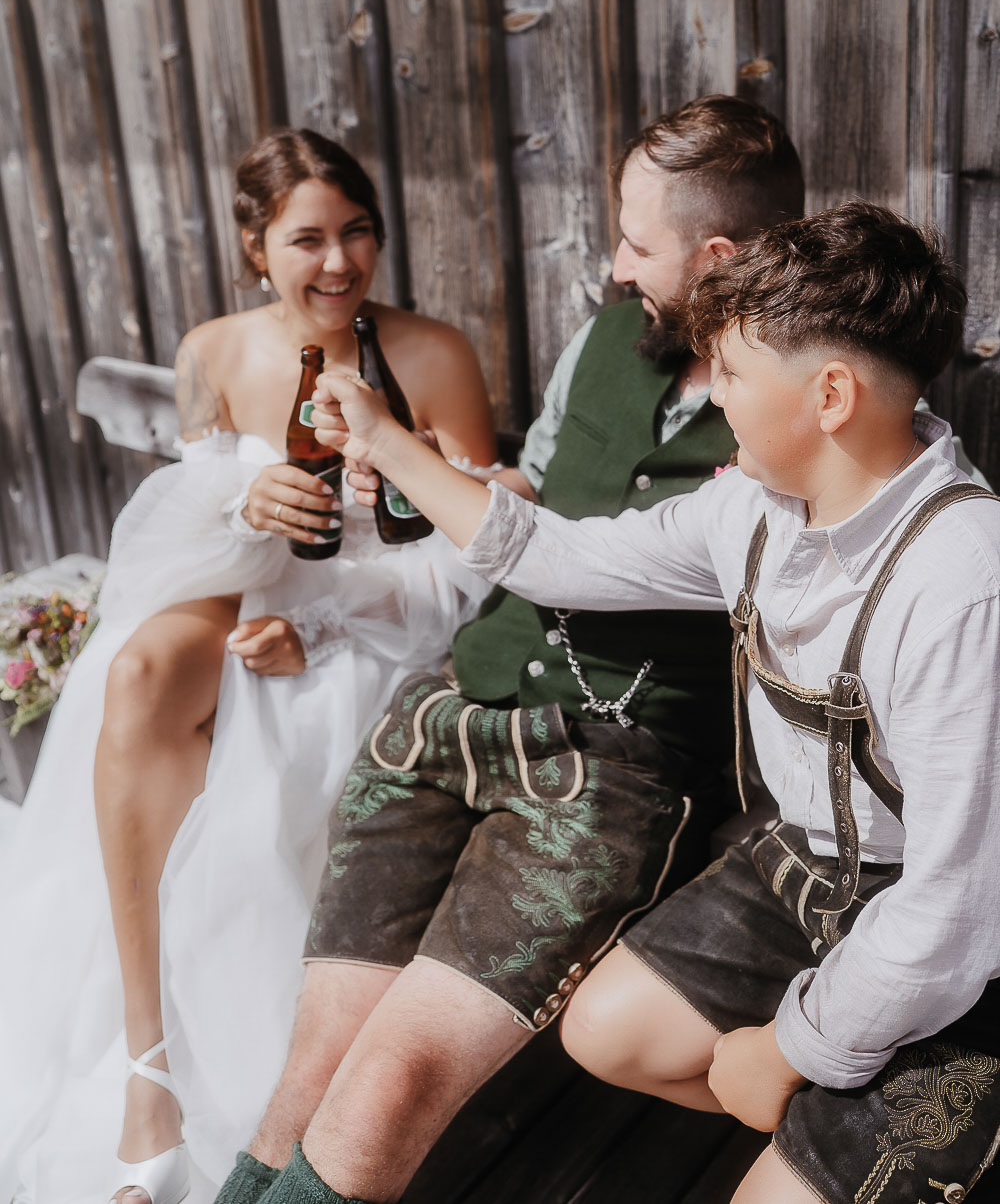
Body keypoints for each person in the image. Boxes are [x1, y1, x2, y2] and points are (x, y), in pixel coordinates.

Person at [299, 199, 1000, 1204]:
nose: (718, 399)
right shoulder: (752, 505)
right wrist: (388, 440)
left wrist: (790, 1050)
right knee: (605, 1030)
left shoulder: (963, 582)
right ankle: (837, 1124)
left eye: (736, 376)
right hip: (813, 871)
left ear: (831, 396)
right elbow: (558, 556)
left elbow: (956, 910)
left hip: (960, 935)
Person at [212, 95, 806, 1204]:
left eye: (636, 244)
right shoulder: (605, 340)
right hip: (449, 711)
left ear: (718, 258)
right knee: (312, 1073)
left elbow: (577, 563)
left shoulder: (788, 418)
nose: (616, 267)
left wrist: (399, 444)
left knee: (388, 1089)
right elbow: (531, 492)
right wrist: (434, 472)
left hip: (606, 766)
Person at [0, 129, 496, 1204]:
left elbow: (470, 560)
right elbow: (164, 555)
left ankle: (265, 1066)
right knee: (136, 674)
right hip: (242, 591)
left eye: (357, 231)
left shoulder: (433, 356)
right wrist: (240, 503)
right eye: (307, 239)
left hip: (376, 622)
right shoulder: (209, 354)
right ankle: (147, 1064)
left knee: (271, 722)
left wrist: (322, 630)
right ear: (254, 246)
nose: (339, 262)